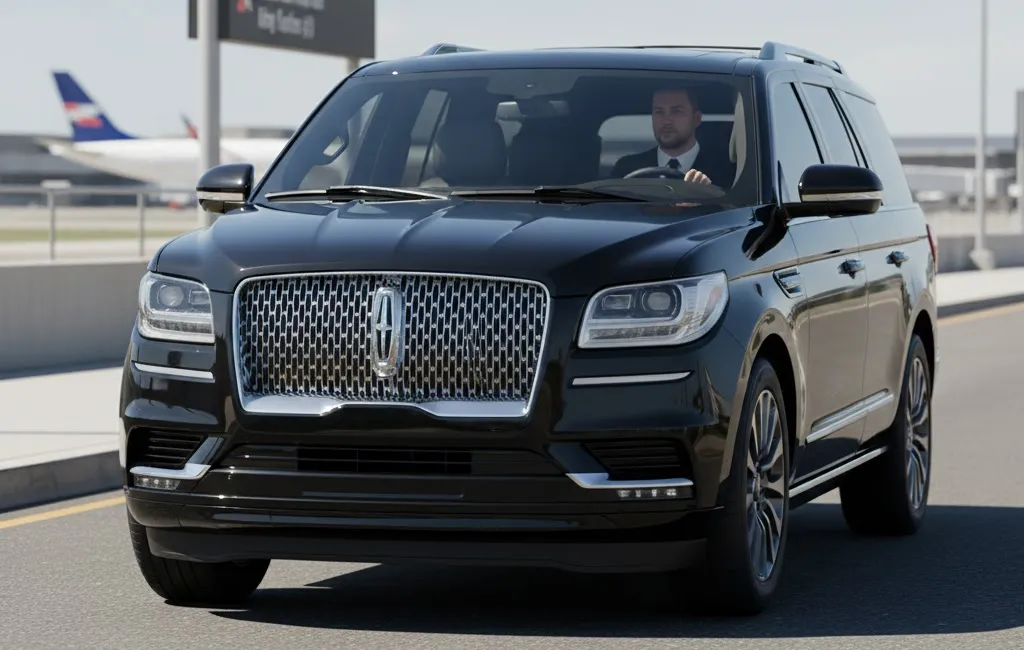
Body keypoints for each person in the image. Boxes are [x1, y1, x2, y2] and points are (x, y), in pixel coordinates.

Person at [611, 86, 735, 187]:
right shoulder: (627, 169)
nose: (666, 121)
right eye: (659, 112)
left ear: (696, 119)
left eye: (676, 111)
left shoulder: (726, 172)